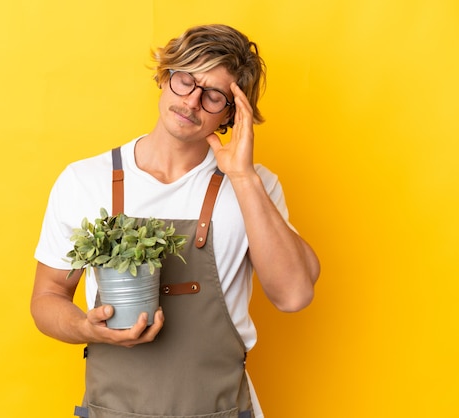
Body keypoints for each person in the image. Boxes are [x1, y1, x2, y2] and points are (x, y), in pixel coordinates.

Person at [31, 23, 320, 418]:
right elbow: (47, 298)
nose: (192, 102)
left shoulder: (256, 186)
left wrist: (243, 177)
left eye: (214, 95)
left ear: (233, 114)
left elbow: (294, 295)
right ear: (164, 77)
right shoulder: (84, 181)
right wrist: (86, 328)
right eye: (185, 79)